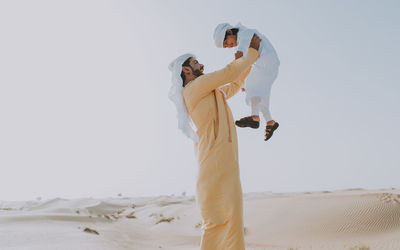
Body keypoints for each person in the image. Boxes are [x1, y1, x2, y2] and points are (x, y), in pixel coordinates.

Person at [168, 34, 261, 250]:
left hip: (225, 163)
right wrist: (250, 54)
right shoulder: (194, 89)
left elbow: (234, 83)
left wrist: (244, 63)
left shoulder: (210, 92)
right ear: (186, 70)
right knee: (217, 222)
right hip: (214, 164)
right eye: (195, 63)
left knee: (233, 220)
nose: (201, 65)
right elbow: (228, 73)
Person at [214, 22, 280, 141]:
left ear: (229, 32)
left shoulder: (244, 33)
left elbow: (246, 40)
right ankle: (270, 121)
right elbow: (246, 62)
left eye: (226, 43)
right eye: (226, 46)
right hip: (267, 65)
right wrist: (244, 83)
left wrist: (240, 52)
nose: (228, 46)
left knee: (253, 89)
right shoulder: (243, 40)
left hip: (267, 62)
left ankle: (255, 117)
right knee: (259, 94)